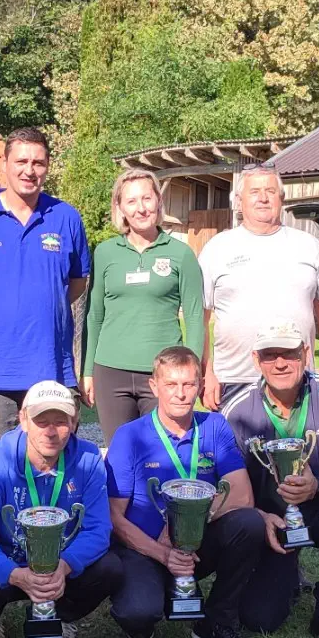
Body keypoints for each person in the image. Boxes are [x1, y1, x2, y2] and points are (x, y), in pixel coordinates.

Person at [222, 322, 319, 638]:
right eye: (269, 355)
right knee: (259, 619)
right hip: (270, 523)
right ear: (255, 359)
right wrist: (260, 517)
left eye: (289, 354)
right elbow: (223, 486)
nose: (280, 363)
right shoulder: (236, 411)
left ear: (306, 354)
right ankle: (287, 575)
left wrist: (318, 486)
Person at [105, 346, 268, 638]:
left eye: (189, 384)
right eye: (171, 385)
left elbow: (242, 495)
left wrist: (190, 522)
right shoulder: (129, 436)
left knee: (249, 522)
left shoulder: (215, 426)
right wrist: (164, 554)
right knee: (137, 614)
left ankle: (217, 623)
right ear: (154, 387)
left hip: (196, 544)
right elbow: (116, 518)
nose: (180, 394)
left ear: (200, 386)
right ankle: (162, 596)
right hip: (145, 547)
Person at [0, 381, 121, 638]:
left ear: (74, 421)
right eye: (41, 420)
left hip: (59, 566)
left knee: (110, 568)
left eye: (60, 421)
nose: (50, 431)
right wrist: (14, 574)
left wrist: (64, 566)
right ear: (23, 420)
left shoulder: (89, 459)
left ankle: (61, 618)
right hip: (9, 561)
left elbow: (98, 530)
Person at [0, 128, 90, 459]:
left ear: (47, 166)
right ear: (4, 163)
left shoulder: (66, 217)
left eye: (38, 162)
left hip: (49, 370)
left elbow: (76, 283)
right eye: (21, 161)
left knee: (50, 477)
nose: (29, 170)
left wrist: (43, 305)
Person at [198, 163, 319, 410]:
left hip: (297, 378)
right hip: (233, 380)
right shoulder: (217, 248)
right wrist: (206, 373)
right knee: (234, 450)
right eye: (254, 192)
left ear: (282, 199)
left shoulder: (307, 245)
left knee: (300, 449)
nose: (263, 198)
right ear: (239, 200)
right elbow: (199, 317)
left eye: (270, 191)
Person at [81, 169, 205, 449]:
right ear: (120, 208)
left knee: (162, 453)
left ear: (159, 202)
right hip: (110, 372)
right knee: (119, 455)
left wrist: (191, 372)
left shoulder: (180, 254)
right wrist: (87, 371)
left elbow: (196, 316)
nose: (141, 208)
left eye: (147, 198)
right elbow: (94, 314)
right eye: (132, 201)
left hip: (163, 372)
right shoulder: (105, 252)